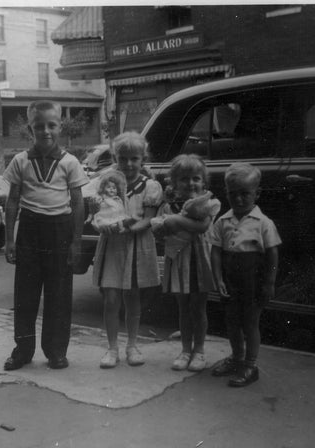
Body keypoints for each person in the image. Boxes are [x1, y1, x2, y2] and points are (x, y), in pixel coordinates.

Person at [2, 101, 88, 371]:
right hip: (29, 230)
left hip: (60, 231)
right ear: (31, 128)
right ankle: (23, 350)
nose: (46, 131)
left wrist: (76, 242)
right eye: (39, 126)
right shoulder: (20, 160)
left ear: (60, 126)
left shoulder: (70, 162)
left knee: (59, 295)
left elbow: (78, 204)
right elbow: (13, 202)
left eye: (52, 125)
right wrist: (9, 239)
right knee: (25, 294)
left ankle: (56, 351)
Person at [92, 131, 163, 368]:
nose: (129, 164)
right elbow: (99, 213)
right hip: (112, 246)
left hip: (135, 245)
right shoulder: (107, 184)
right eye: (123, 159)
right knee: (111, 299)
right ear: (116, 158)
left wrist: (127, 228)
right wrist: (102, 223)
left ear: (142, 159)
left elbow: (149, 220)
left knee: (133, 298)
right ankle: (112, 348)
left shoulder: (150, 186)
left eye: (134, 158)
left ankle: (132, 345)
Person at [210, 162, 281, 387]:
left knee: (250, 323)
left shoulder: (264, 223)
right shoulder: (222, 222)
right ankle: (236, 358)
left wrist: (269, 283)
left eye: (245, 194)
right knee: (231, 322)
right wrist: (218, 279)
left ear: (256, 193)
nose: (239, 199)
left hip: (253, 281)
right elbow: (216, 252)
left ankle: (250, 365)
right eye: (233, 194)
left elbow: (272, 255)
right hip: (231, 281)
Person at [152, 154, 221, 372]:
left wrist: (174, 221)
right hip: (179, 261)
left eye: (196, 178)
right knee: (183, 307)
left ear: (204, 181)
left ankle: (199, 350)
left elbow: (201, 227)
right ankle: (185, 350)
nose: (191, 183)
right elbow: (160, 234)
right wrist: (162, 227)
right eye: (184, 179)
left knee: (199, 307)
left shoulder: (209, 203)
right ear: (174, 182)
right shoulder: (168, 206)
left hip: (199, 261)